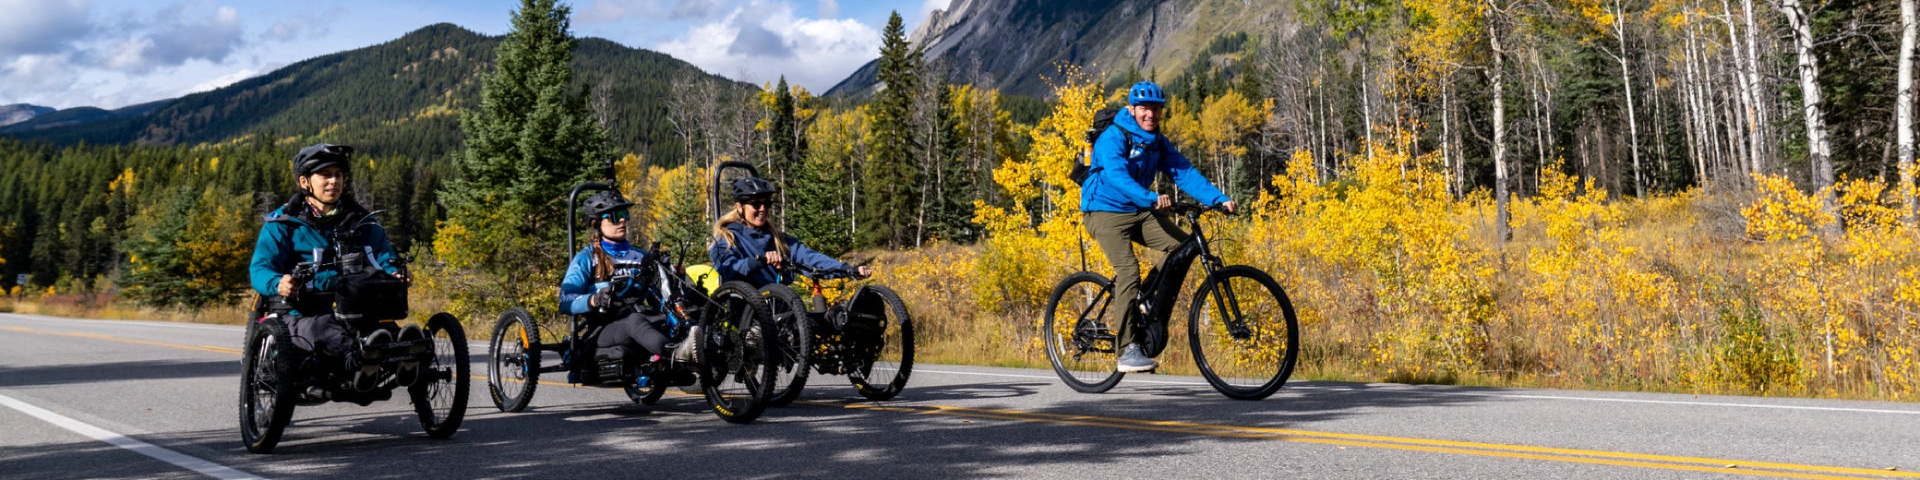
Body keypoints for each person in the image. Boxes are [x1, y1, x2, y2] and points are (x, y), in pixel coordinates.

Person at [1081, 81, 1238, 373]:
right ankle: (1127, 348)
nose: (1150, 114)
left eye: (1155, 109)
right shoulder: (1114, 137)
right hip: (1103, 210)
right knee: (1128, 270)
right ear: (1132, 109)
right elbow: (1116, 176)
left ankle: (1146, 297)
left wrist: (1218, 199)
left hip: (1137, 208)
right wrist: (1151, 198)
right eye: (1144, 108)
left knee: (1183, 248)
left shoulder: (1157, 142)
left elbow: (1185, 173)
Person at [248, 143, 411, 390]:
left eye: (338, 175)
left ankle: (404, 357)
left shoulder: (362, 221)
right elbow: (260, 269)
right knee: (328, 331)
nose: (333, 181)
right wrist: (279, 283)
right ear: (305, 182)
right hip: (300, 312)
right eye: (325, 175)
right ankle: (358, 362)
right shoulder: (282, 222)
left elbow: (383, 256)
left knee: (385, 331)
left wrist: (394, 273)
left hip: (355, 309)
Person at [559, 191, 671, 374]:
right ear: (597, 224)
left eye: (624, 215)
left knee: (668, 321)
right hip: (602, 330)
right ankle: (672, 354)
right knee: (634, 321)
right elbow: (565, 300)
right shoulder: (587, 258)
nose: (622, 221)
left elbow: (658, 296)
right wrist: (593, 300)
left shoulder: (640, 256)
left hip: (640, 319)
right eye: (614, 216)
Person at [709, 176, 870, 287]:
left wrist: (848, 270)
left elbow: (810, 258)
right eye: (756, 204)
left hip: (778, 306)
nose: (763, 209)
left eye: (767, 204)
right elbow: (728, 269)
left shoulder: (777, 238)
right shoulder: (727, 236)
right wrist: (760, 260)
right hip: (745, 310)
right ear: (739, 207)